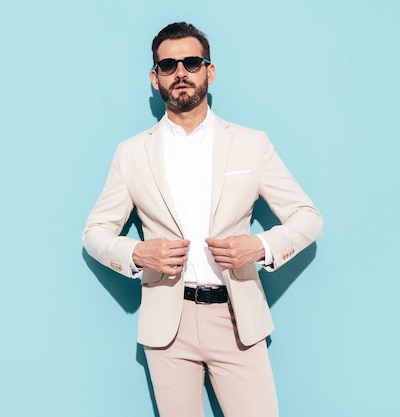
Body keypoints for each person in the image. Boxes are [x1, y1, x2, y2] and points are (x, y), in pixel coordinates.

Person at [82, 22, 322, 417]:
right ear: (154, 77)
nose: (180, 72)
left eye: (191, 62)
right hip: (167, 327)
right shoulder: (131, 154)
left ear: (209, 71)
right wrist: (139, 253)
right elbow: (94, 233)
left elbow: (307, 217)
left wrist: (259, 246)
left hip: (237, 319)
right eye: (168, 65)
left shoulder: (250, 144)